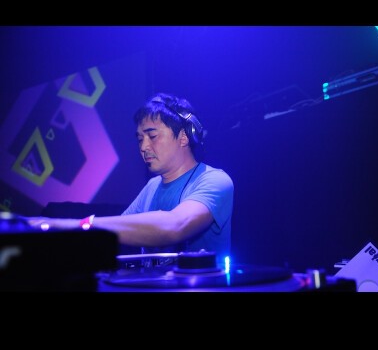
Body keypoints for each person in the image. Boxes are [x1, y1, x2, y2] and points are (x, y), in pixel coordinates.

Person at [26, 93, 234, 266]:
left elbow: (175, 225)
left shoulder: (214, 180)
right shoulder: (152, 186)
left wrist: (81, 224)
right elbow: (117, 231)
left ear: (184, 137)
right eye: (140, 139)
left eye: (152, 136)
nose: (143, 147)